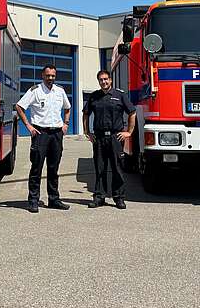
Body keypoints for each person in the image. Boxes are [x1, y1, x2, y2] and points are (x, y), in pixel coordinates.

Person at [15, 64, 71, 213]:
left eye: (53, 75)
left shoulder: (60, 91)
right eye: (48, 75)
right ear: (42, 75)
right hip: (40, 134)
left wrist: (65, 124)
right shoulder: (35, 91)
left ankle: (54, 199)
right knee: (36, 168)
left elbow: (67, 108)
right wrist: (28, 126)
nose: (50, 78)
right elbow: (19, 107)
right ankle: (33, 200)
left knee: (54, 168)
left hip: (56, 135)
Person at [83, 69, 136, 209]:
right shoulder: (94, 96)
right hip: (99, 138)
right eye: (101, 80)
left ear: (110, 80)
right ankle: (99, 197)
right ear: (98, 81)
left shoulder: (120, 95)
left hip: (115, 137)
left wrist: (129, 132)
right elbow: (86, 114)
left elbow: (132, 112)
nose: (104, 82)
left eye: (106, 79)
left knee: (117, 168)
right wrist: (87, 131)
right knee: (100, 168)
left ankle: (118, 197)